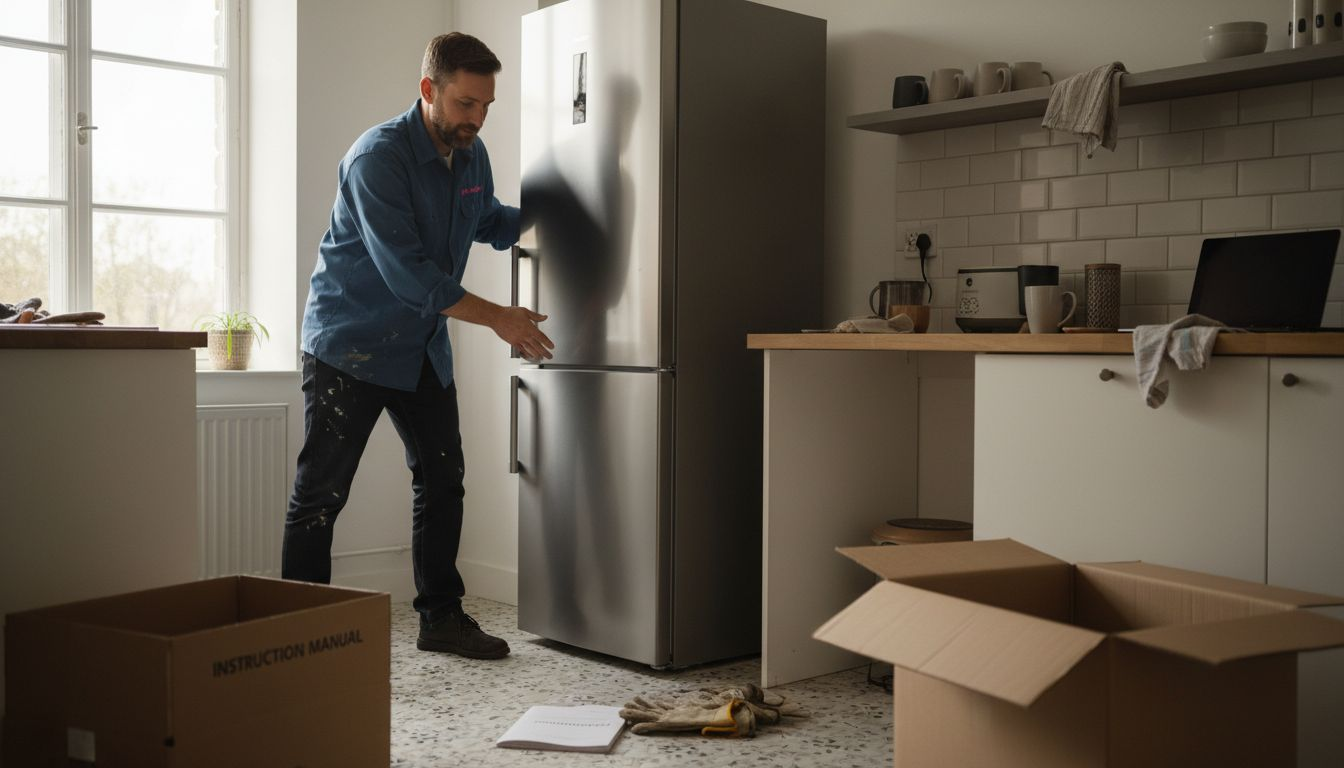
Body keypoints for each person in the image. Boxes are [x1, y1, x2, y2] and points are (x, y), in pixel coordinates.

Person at [282, 32, 553, 660]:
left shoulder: (471, 155)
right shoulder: (377, 158)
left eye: (486, 105)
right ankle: (294, 637)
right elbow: (409, 276)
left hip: (422, 350)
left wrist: (563, 200)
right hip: (347, 347)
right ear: (428, 90)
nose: (477, 119)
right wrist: (500, 319)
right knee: (321, 495)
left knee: (443, 480)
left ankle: (442, 619)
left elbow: (488, 223)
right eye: (465, 104)